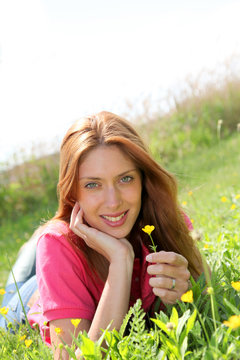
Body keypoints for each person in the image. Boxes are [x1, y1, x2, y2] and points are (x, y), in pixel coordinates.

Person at [0, 111, 204, 359]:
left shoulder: (165, 221)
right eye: (92, 184)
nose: (113, 201)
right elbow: (83, 356)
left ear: (143, 180)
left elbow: (208, 291)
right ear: (73, 192)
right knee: (21, 276)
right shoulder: (56, 245)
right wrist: (121, 259)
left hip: (61, 256)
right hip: (27, 298)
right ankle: (33, 243)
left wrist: (188, 287)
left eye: (125, 179)